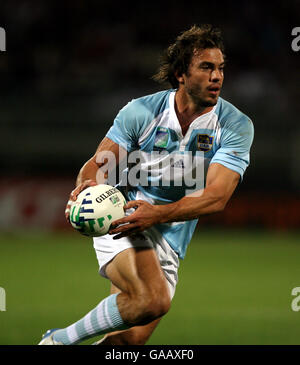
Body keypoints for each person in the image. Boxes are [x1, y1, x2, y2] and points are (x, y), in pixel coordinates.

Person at [38, 24, 254, 345]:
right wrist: (86, 184)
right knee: (154, 300)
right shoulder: (141, 111)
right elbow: (101, 163)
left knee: (126, 342)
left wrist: (158, 214)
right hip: (123, 217)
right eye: (206, 67)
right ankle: (58, 340)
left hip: (169, 236)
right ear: (181, 73)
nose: (217, 76)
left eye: (220, 68)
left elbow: (215, 197)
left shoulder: (235, 125)